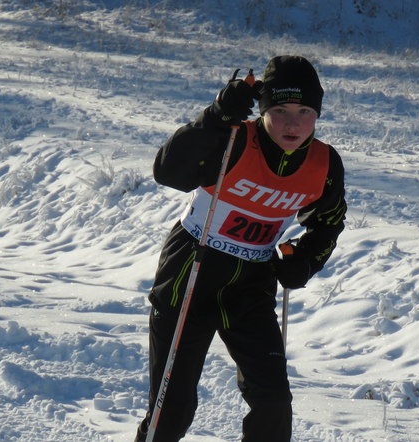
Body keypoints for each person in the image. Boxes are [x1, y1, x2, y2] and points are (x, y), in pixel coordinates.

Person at [135, 55, 347, 442]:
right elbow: (168, 172)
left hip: (250, 284)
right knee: (171, 411)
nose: (292, 124)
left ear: (317, 114)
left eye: (304, 112)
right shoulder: (233, 139)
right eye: (280, 111)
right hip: (191, 273)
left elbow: (328, 222)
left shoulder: (324, 164)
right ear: (263, 110)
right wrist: (216, 116)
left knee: (273, 403)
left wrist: (304, 261)